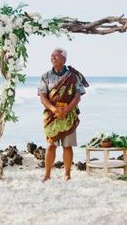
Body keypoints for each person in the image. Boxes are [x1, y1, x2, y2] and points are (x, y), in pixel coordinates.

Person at [38, 47, 89, 181]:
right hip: (51, 116)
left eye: (56, 56)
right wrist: (54, 110)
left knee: (67, 146)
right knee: (50, 146)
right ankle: (47, 175)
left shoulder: (73, 76)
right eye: (52, 56)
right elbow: (43, 97)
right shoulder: (45, 76)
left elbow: (78, 96)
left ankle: (67, 174)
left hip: (69, 115)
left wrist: (66, 110)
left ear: (64, 59)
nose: (52, 58)